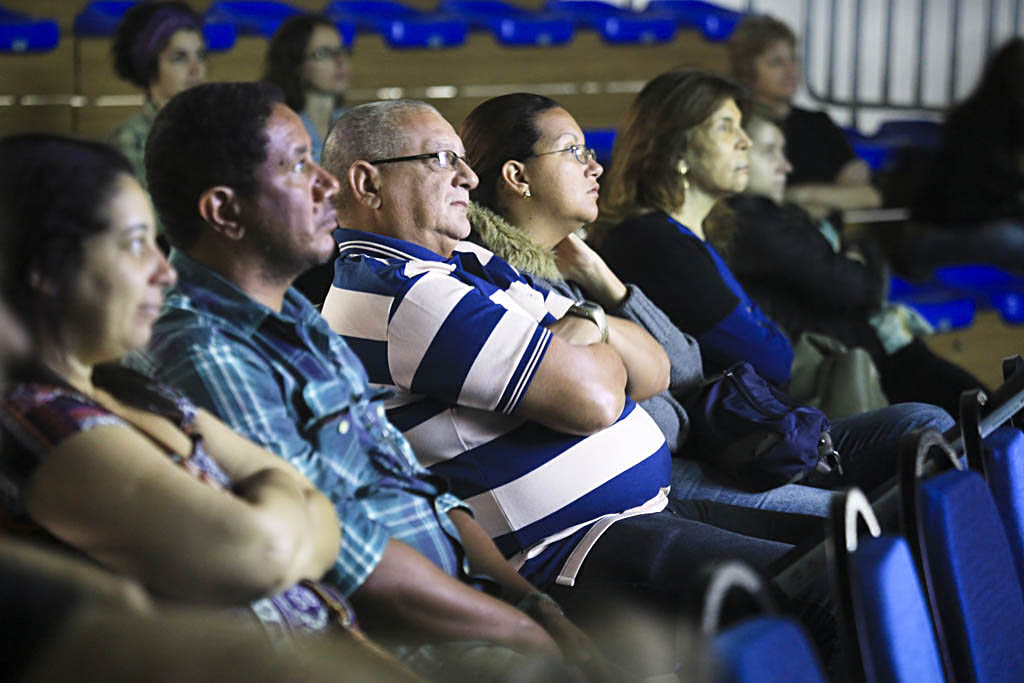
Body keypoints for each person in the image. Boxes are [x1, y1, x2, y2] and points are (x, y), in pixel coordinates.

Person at [319, 98, 843, 675]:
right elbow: (594, 401)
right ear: (367, 183)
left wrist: (588, 326)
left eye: (464, 160)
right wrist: (590, 349)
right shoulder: (401, 295)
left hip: (645, 510)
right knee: (829, 596)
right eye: (443, 160)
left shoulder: (462, 260)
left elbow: (657, 367)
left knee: (855, 549)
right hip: (577, 548)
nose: (467, 177)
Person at [125, 81, 604, 681]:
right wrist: (524, 630)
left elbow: (415, 487)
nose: (327, 185)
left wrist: (533, 605)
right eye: (299, 166)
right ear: (224, 211)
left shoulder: (299, 316)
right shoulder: (204, 352)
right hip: (387, 647)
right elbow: (350, 564)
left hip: (471, 603)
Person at [596, 68, 952, 496]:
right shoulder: (657, 242)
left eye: (741, 127)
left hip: (758, 425)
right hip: (730, 447)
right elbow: (772, 357)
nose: (743, 141)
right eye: (725, 127)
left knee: (929, 424)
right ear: (677, 151)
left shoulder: (694, 235)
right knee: (925, 426)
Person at [723, 108, 986, 415]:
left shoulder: (770, 217)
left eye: (782, 151)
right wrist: (857, 249)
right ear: (737, 156)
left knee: (988, 408)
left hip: (863, 348)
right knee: (983, 411)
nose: (786, 165)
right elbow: (863, 288)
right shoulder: (754, 226)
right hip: (849, 361)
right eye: (770, 152)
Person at [727, 14, 880, 219]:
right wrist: (831, 197)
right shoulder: (737, 123)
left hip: (819, 236)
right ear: (747, 70)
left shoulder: (818, 123)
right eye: (776, 62)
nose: (790, 70)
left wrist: (801, 194)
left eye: (794, 59)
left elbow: (868, 197)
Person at [909, 37, 1024, 272]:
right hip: (944, 234)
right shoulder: (974, 127)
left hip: (990, 229)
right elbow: (963, 209)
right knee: (1011, 239)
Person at [108, 1, 207, 187]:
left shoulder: (215, 130)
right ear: (151, 68)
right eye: (179, 58)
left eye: (200, 56)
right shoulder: (129, 138)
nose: (196, 69)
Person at [264, 14, 351, 165]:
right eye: (324, 53)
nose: (340, 61)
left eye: (341, 51)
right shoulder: (278, 128)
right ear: (297, 64)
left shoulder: (353, 121)